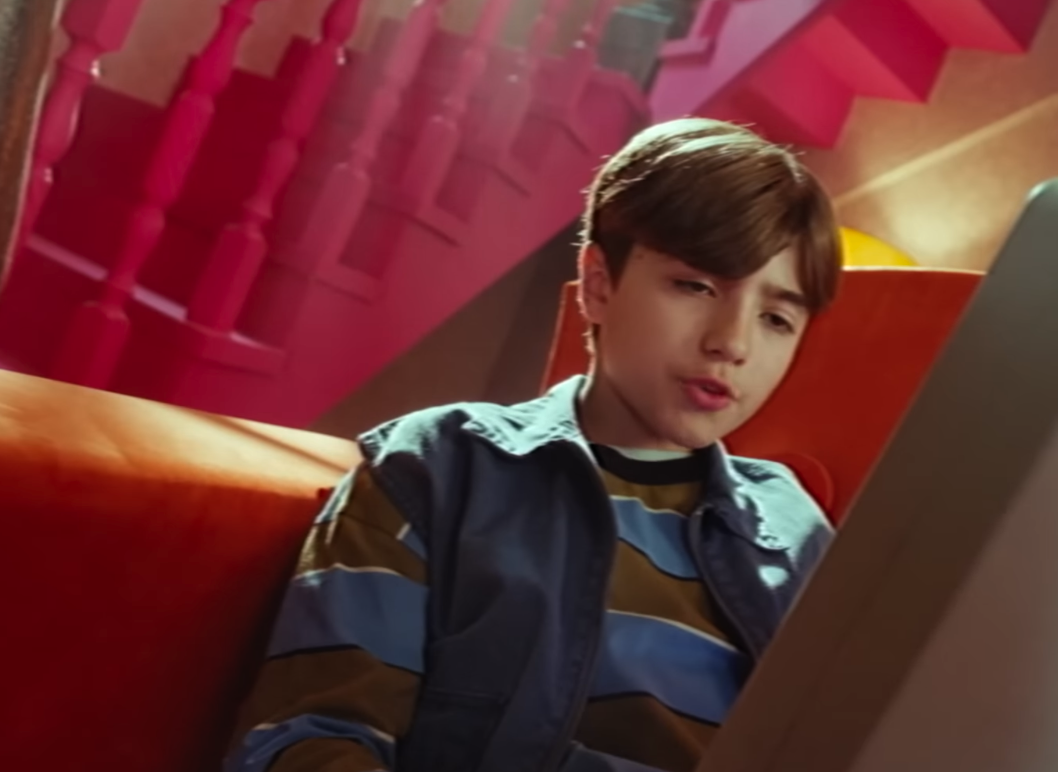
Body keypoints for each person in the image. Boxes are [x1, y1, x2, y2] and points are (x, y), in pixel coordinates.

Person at [225, 117, 844, 772]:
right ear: (599, 284)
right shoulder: (441, 466)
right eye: (696, 286)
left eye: (776, 318)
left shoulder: (796, 534)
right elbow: (314, 735)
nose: (733, 343)